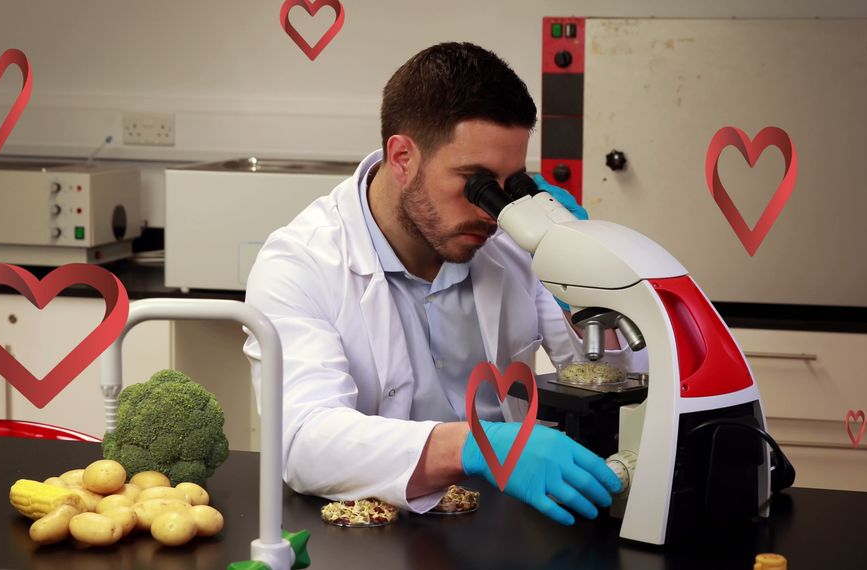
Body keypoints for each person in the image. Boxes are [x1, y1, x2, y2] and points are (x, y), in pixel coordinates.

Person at [243, 42, 639, 526]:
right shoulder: (301, 262)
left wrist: (588, 286)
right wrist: (477, 446)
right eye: (475, 181)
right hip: (369, 532)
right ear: (403, 157)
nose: (492, 210)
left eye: (509, 183)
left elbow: (604, 377)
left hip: (501, 525)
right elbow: (303, 442)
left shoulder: (513, 241)